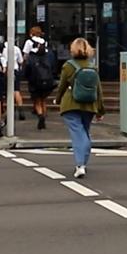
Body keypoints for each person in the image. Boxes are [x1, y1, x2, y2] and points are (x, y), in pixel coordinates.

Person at [54, 38, 105, 179]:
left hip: (71, 104)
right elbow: (98, 90)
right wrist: (100, 110)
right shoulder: (92, 66)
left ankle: (80, 164)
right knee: (85, 132)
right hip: (89, 104)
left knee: (77, 134)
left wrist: (57, 100)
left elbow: (62, 86)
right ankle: (83, 163)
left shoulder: (68, 66)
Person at [23, 36, 56, 130]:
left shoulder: (31, 57)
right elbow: (54, 67)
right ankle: (44, 116)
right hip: (47, 81)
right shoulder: (49, 55)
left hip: (35, 81)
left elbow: (27, 69)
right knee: (43, 100)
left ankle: (40, 115)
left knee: (37, 100)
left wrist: (27, 77)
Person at [2, 41, 26, 120]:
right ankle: (20, 110)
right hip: (15, 69)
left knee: (7, 91)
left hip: (5, 70)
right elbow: (21, 61)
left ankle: (7, 110)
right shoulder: (16, 48)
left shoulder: (3, 49)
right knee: (16, 90)